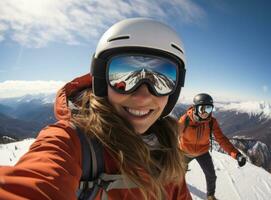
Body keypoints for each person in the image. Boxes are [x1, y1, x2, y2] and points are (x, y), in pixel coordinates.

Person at [0, 18, 192, 200]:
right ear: (101, 81)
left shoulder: (168, 150)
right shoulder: (71, 142)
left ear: (173, 93)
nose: (142, 96)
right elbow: (35, 184)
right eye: (123, 78)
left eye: (161, 81)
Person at [178, 93, 247, 200]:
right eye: (202, 109)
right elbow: (173, 135)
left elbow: (221, 139)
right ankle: (179, 191)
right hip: (185, 152)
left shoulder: (211, 122)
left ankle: (210, 195)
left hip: (202, 152)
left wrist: (236, 154)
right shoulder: (185, 120)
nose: (205, 113)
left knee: (211, 175)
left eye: (209, 108)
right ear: (195, 108)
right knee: (177, 174)